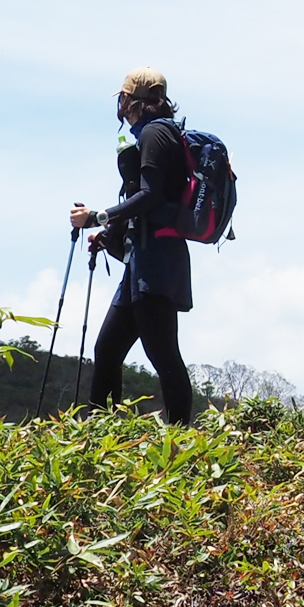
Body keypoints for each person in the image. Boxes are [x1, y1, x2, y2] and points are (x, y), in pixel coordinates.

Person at [68, 66, 196, 425]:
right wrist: (109, 234)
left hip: (157, 262)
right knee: (107, 349)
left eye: (123, 98)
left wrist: (98, 217)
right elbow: (150, 202)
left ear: (136, 101)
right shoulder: (156, 133)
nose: (121, 106)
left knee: (163, 354)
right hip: (146, 258)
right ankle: (99, 436)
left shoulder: (156, 134)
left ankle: (181, 439)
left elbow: (151, 195)